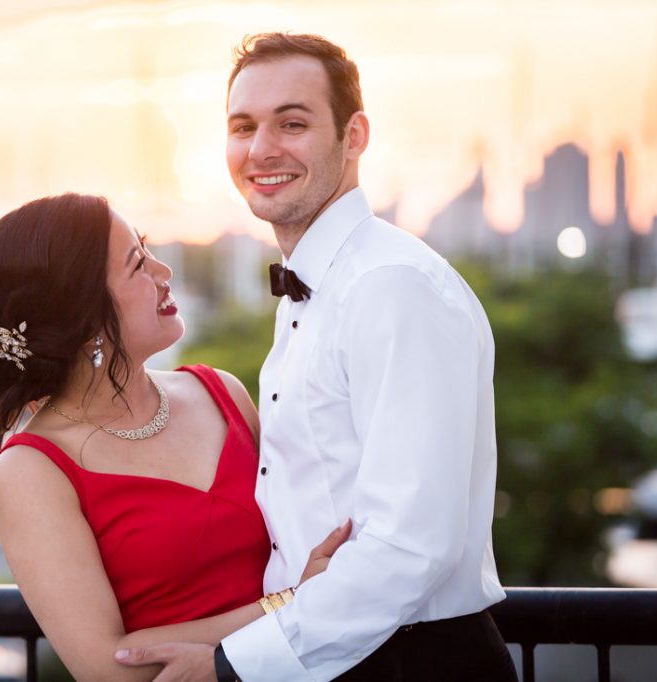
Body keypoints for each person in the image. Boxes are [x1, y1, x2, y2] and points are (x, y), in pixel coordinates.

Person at [115, 32, 517, 681]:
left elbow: (410, 546)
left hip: (412, 664)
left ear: (354, 136)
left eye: (293, 122)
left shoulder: (392, 286)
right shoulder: (318, 286)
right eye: (242, 127)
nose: (262, 149)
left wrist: (233, 666)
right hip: (329, 656)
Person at [0, 192, 350, 681]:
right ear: (83, 318)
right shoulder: (33, 469)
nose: (163, 272)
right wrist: (293, 605)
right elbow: (113, 668)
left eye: (148, 251)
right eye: (137, 265)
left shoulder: (221, 393)